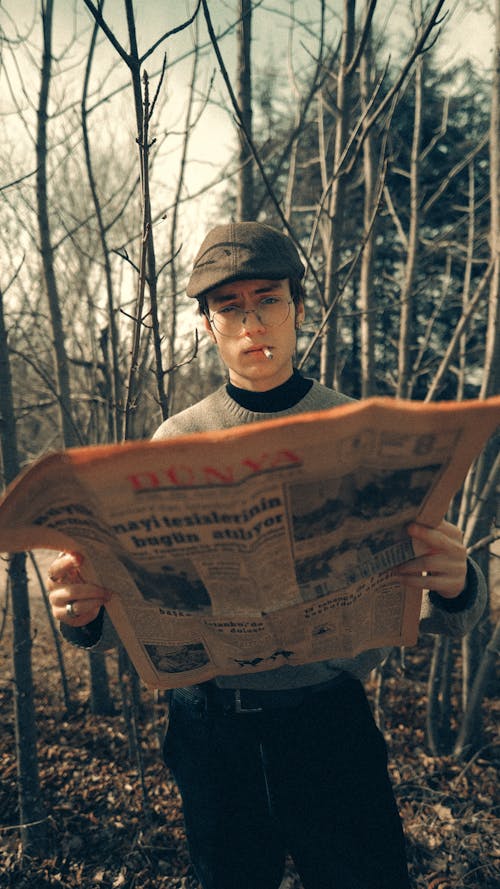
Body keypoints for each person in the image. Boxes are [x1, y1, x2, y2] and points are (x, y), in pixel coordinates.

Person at [48, 222, 486, 889]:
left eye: (269, 299)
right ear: (207, 324)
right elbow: (136, 610)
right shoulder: (176, 439)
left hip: (329, 724)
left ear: (299, 309)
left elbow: (443, 609)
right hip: (212, 732)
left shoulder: (358, 429)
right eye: (230, 306)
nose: (252, 321)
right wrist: (83, 615)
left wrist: (458, 585)